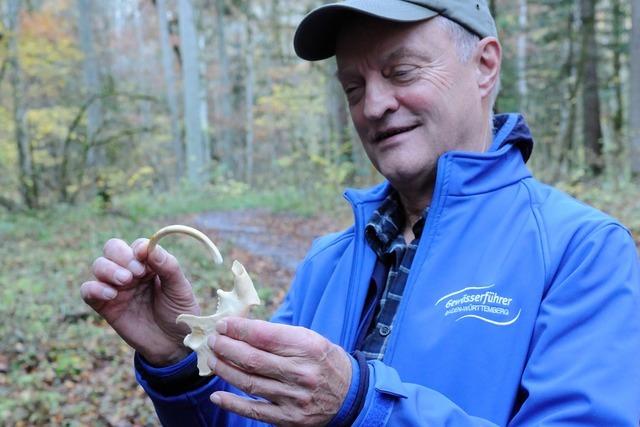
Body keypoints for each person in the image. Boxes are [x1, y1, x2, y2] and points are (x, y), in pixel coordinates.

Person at [80, 0, 640, 425]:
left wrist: (365, 405)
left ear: (485, 66)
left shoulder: (580, 250)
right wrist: (179, 360)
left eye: (401, 72)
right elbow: (255, 415)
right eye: (354, 85)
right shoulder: (329, 261)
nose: (373, 106)